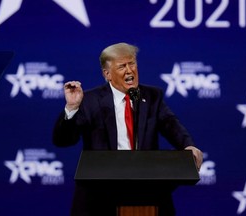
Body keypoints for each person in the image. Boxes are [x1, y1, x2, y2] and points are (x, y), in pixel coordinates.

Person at [53, 42, 203, 216]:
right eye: (122, 66)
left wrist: (188, 145)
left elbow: (170, 124)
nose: (130, 70)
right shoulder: (90, 100)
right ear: (107, 74)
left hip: (147, 192)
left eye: (132, 64)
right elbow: (63, 140)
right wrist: (71, 108)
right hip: (100, 196)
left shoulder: (152, 96)